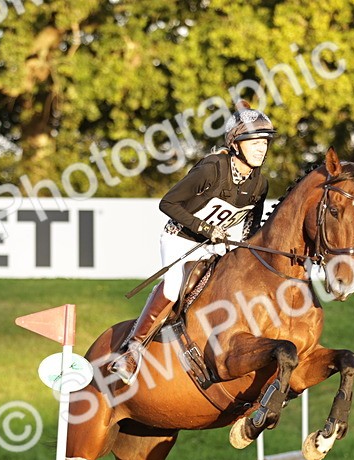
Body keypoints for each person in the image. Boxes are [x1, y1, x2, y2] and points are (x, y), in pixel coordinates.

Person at [109, 105, 274, 384]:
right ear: (235, 144)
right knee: (173, 286)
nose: (261, 149)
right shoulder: (211, 169)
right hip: (180, 239)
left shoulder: (260, 184)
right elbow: (168, 203)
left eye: (265, 143)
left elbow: (250, 228)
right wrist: (205, 228)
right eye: (254, 142)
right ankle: (132, 349)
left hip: (215, 245)